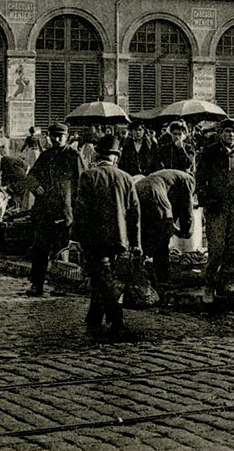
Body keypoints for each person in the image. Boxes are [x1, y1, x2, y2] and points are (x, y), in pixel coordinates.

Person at [72, 135, 141, 336]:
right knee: (100, 277)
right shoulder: (127, 178)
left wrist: (76, 236)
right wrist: (135, 242)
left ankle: (116, 317)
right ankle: (94, 316)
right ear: (115, 158)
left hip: (94, 238)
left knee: (103, 278)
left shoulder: (88, 176)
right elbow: (134, 214)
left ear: (97, 155)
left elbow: (81, 211)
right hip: (119, 238)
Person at [24, 123, 84, 296]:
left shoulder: (75, 156)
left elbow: (81, 184)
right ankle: (37, 284)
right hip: (44, 211)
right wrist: (36, 187)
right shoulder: (45, 156)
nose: (56, 140)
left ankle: (61, 284)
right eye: (53, 136)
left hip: (65, 211)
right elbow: (30, 177)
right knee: (40, 248)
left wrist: (76, 209)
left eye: (60, 136)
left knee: (61, 249)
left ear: (67, 137)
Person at [195, 118, 234, 300]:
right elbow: (200, 179)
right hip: (216, 208)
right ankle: (209, 285)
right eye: (227, 131)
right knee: (216, 248)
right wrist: (206, 201)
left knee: (231, 248)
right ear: (221, 133)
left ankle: (224, 283)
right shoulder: (209, 153)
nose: (231, 135)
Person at [135, 169, 195, 287]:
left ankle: (142, 269)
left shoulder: (171, 176)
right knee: (163, 236)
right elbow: (186, 209)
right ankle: (162, 277)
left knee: (144, 231)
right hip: (154, 192)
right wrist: (185, 230)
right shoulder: (189, 181)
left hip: (137, 189)